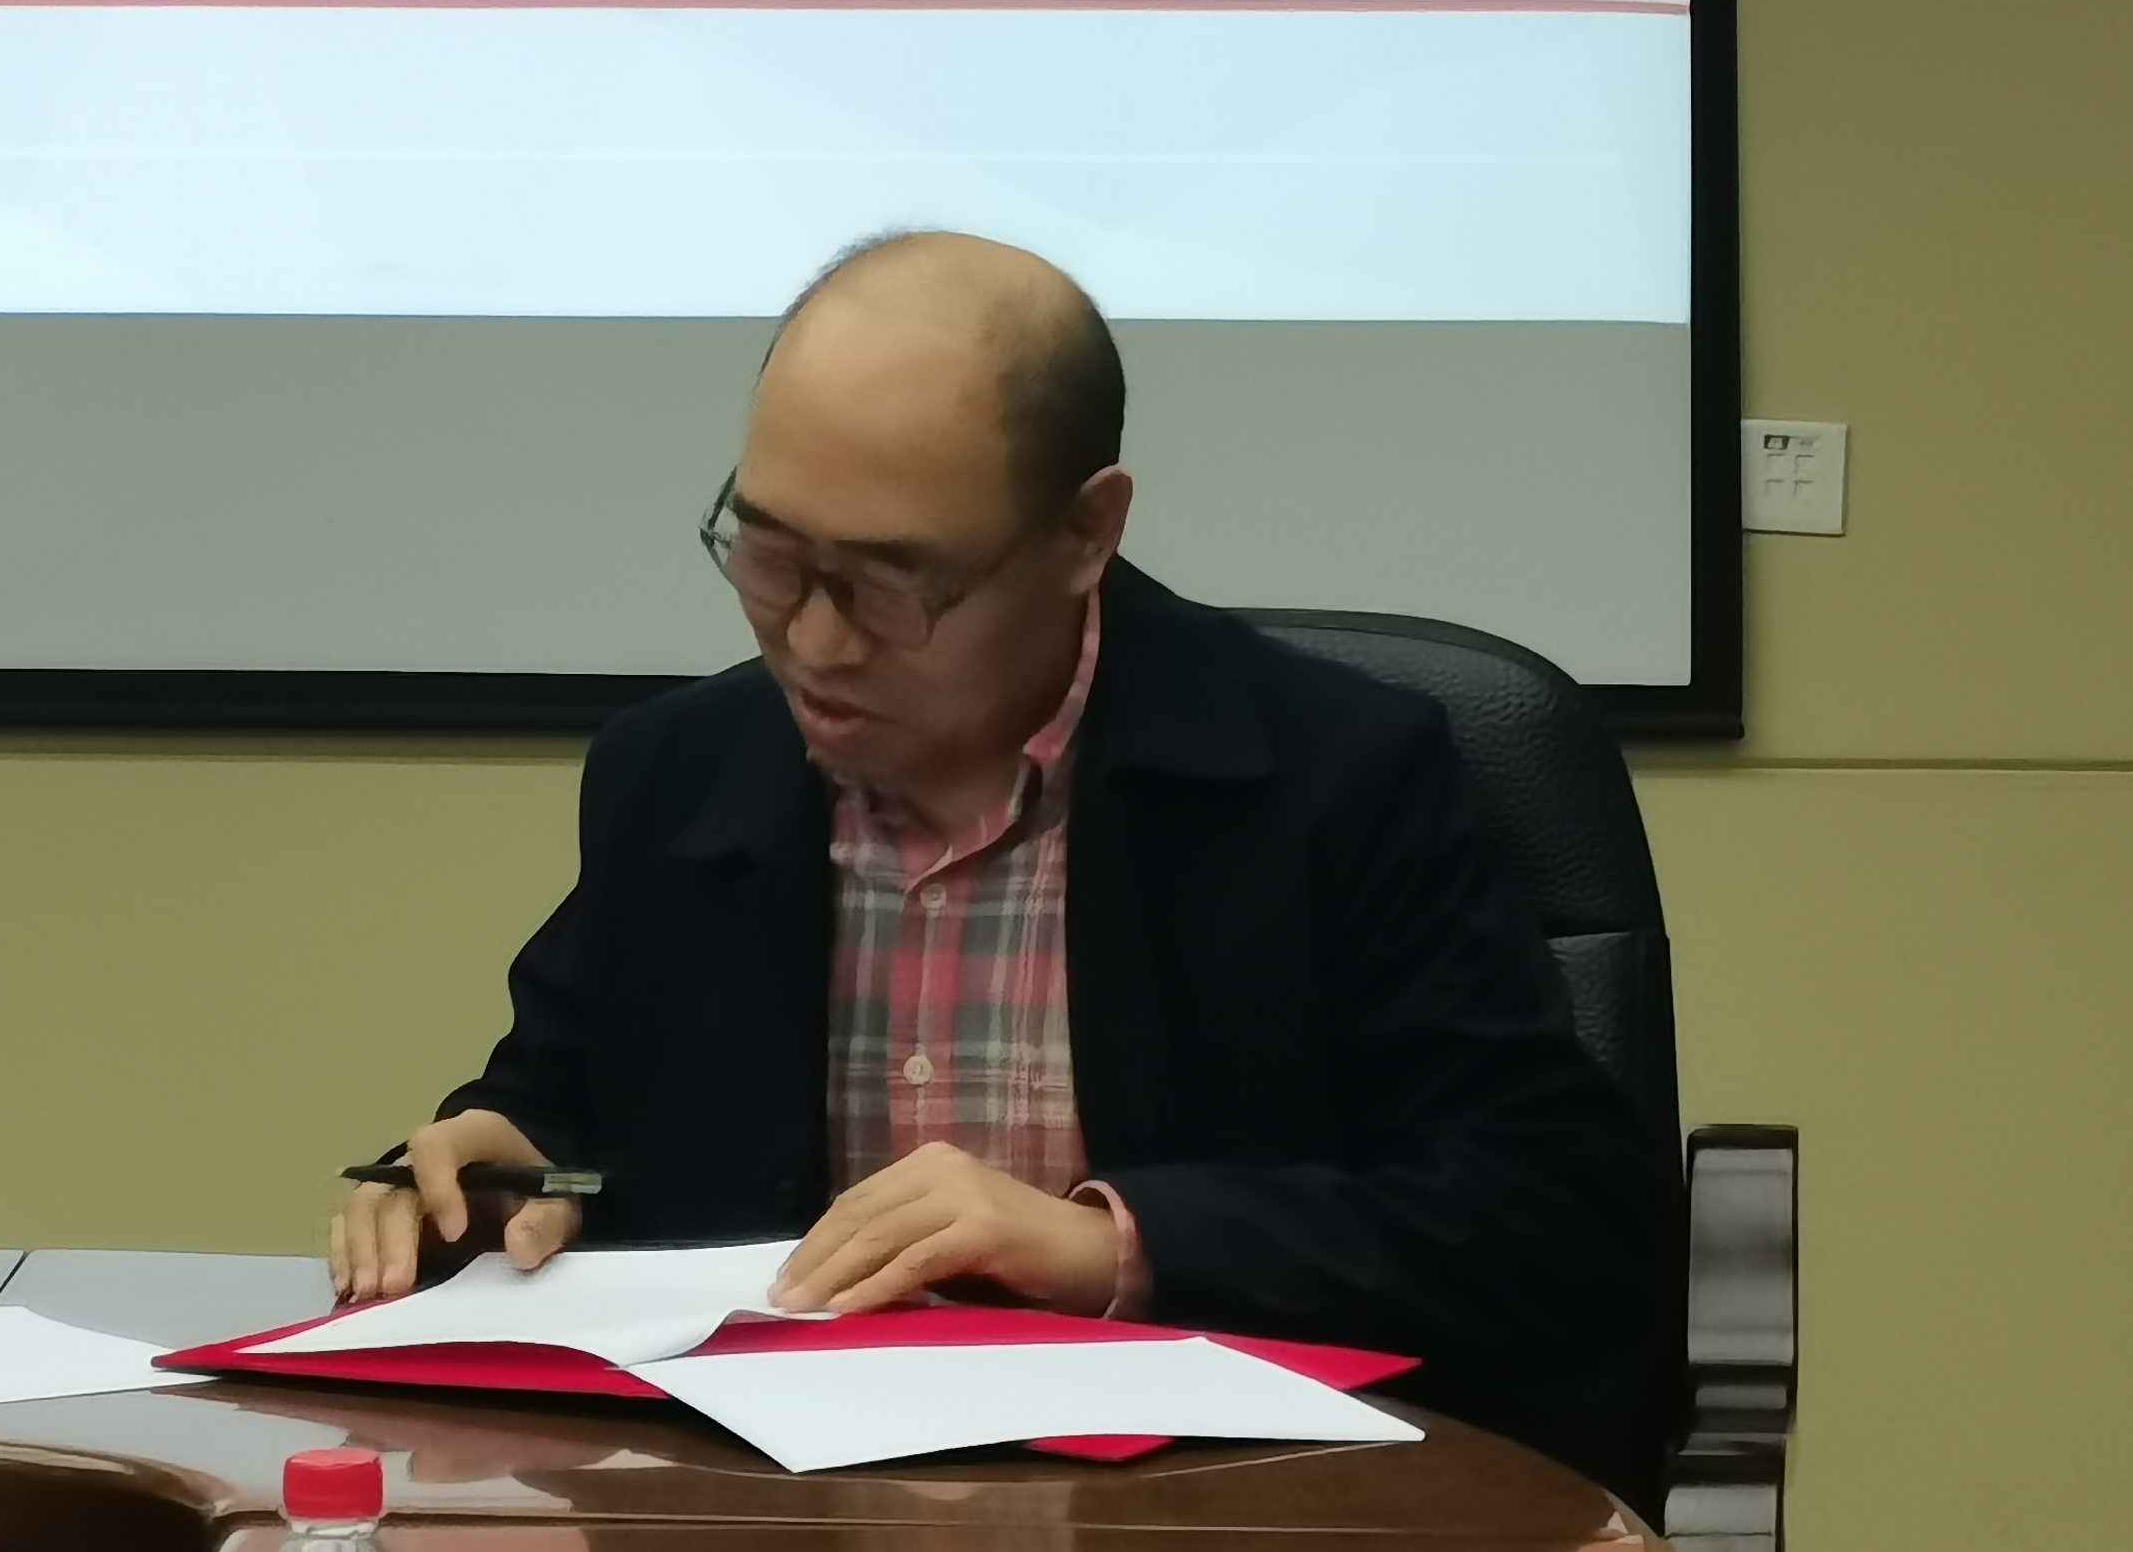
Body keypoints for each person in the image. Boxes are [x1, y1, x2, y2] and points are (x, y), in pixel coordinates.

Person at [329, 232, 1667, 1503]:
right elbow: (563, 1113)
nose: (813, 640)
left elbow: (1555, 1220)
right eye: (769, 552)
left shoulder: (1335, 781)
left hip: (1213, 1512)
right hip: (763, 1513)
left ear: (1087, 531)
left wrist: (1110, 1246)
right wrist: (495, 1170)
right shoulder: (673, 778)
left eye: (890, 582)